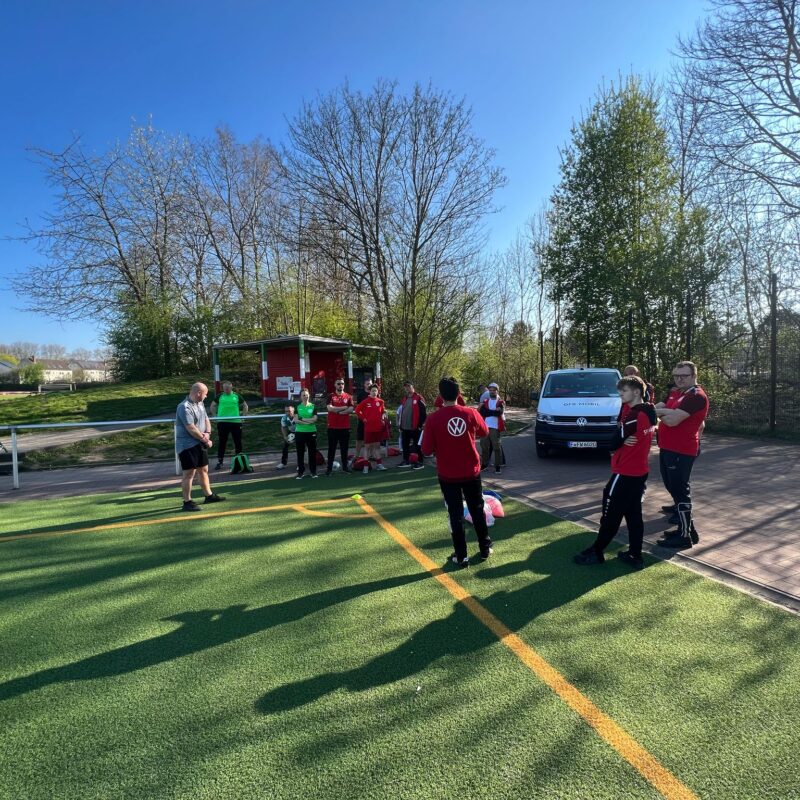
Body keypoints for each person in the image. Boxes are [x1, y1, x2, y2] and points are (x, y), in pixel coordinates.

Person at [573, 376, 656, 569]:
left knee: (611, 514)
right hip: (639, 471)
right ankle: (635, 555)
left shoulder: (636, 414)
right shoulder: (647, 409)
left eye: (623, 392)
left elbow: (612, 442)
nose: (620, 395)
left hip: (626, 472)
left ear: (636, 392)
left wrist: (619, 439)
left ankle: (597, 552)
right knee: (634, 514)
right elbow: (619, 433)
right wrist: (620, 437)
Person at [421, 376, 493, 567]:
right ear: (459, 393)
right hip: (471, 472)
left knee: (455, 514)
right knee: (477, 509)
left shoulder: (433, 419)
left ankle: (461, 556)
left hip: (448, 474)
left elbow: (426, 450)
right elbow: (485, 432)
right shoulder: (470, 413)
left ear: (440, 395)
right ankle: (485, 548)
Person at [654, 361, 709, 550]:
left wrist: (660, 412)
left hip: (681, 450)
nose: (679, 379)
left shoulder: (696, 396)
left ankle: (684, 536)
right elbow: (661, 410)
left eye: (684, 376)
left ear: (694, 376)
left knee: (680, 491)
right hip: (667, 448)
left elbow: (672, 421)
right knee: (673, 488)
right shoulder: (677, 392)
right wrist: (665, 412)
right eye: (676, 375)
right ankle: (687, 530)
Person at [175, 382, 225, 511]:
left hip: (199, 443)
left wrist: (208, 433)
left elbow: (206, 419)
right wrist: (205, 440)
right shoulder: (184, 407)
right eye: (205, 394)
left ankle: (209, 496)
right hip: (187, 446)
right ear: (198, 393)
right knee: (189, 474)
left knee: (203, 470)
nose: (206, 396)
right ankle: (187, 502)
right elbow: (191, 428)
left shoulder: (200, 403)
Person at [210, 382, 249, 471]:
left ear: (231, 388)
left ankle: (239, 461)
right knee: (222, 442)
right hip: (222, 423)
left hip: (236, 422)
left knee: (238, 442)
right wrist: (214, 416)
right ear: (223, 388)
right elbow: (212, 405)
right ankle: (220, 462)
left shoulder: (236, 396)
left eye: (228, 388)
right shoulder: (220, 396)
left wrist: (243, 416)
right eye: (225, 388)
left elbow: (245, 406)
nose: (226, 390)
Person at [355, 384, 387, 472]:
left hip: (378, 428)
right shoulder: (365, 401)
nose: (374, 392)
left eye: (375, 391)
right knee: (367, 447)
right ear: (369, 391)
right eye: (372, 391)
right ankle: (365, 466)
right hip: (368, 428)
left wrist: (383, 417)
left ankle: (379, 464)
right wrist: (363, 418)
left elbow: (383, 411)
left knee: (377, 446)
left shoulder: (380, 401)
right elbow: (357, 410)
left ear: (378, 392)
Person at [326, 378, 354, 475]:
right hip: (332, 427)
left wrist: (340, 412)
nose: (340, 385)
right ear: (335, 385)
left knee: (344, 448)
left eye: (342, 383)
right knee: (331, 449)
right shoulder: (330, 396)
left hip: (345, 427)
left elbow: (351, 409)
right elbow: (330, 408)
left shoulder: (348, 396)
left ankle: (345, 467)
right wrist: (343, 408)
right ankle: (329, 469)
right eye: (338, 383)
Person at [397, 381, 427, 469]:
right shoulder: (404, 398)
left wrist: (420, 425)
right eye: (405, 387)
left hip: (415, 427)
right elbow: (402, 412)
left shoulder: (419, 397)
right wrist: (400, 424)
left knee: (418, 445)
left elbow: (423, 413)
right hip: (405, 427)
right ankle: (406, 461)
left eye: (409, 386)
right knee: (405, 445)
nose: (407, 388)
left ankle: (420, 462)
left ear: (413, 387)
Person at [479, 382, 506, 474]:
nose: (492, 392)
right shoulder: (486, 401)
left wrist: (489, 412)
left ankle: (497, 466)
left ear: (497, 391)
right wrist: (493, 411)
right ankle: (484, 464)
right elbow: (483, 413)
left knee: (496, 447)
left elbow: (499, 413)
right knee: (484, 446)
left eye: (494, 390)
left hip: (495, 427)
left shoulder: (500, 402)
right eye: (490, 390)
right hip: (485, 427)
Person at [294, 388, 319, 479]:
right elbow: (296, 420)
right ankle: (300, 472)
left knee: (312, 453)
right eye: (303, 395)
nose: (305, 396)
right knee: (300, 453)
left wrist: (303, 419)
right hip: (300, 432)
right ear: (300, 397)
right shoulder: (297, 407)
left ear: (309, 395)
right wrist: (308, 421)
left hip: (311, 432)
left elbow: (315, 419)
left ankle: (313, 472)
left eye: (306, 394)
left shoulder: (313, 406)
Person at [354, 378, 373, 460]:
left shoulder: (375, 394)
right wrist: (363, 418)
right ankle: (357, 455)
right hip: (362, 420)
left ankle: (371, 455)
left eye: (370, 383)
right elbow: (358, 409)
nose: (369, 385)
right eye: (367, 384)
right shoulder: (360, 395)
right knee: (359, 438)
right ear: (364, 385)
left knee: (372, 438)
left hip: (372, 421)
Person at [276, 404, 296, 471]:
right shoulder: (284, 418)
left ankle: (300, 464)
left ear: (293, 410)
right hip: (292, 432)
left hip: (301, 432)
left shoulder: (298, 416)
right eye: (286, 411)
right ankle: (283, 463)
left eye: (289, 411)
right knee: (285, 446)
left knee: (300, 447)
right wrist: (285, 436)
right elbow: (283, 427)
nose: (287, 413)